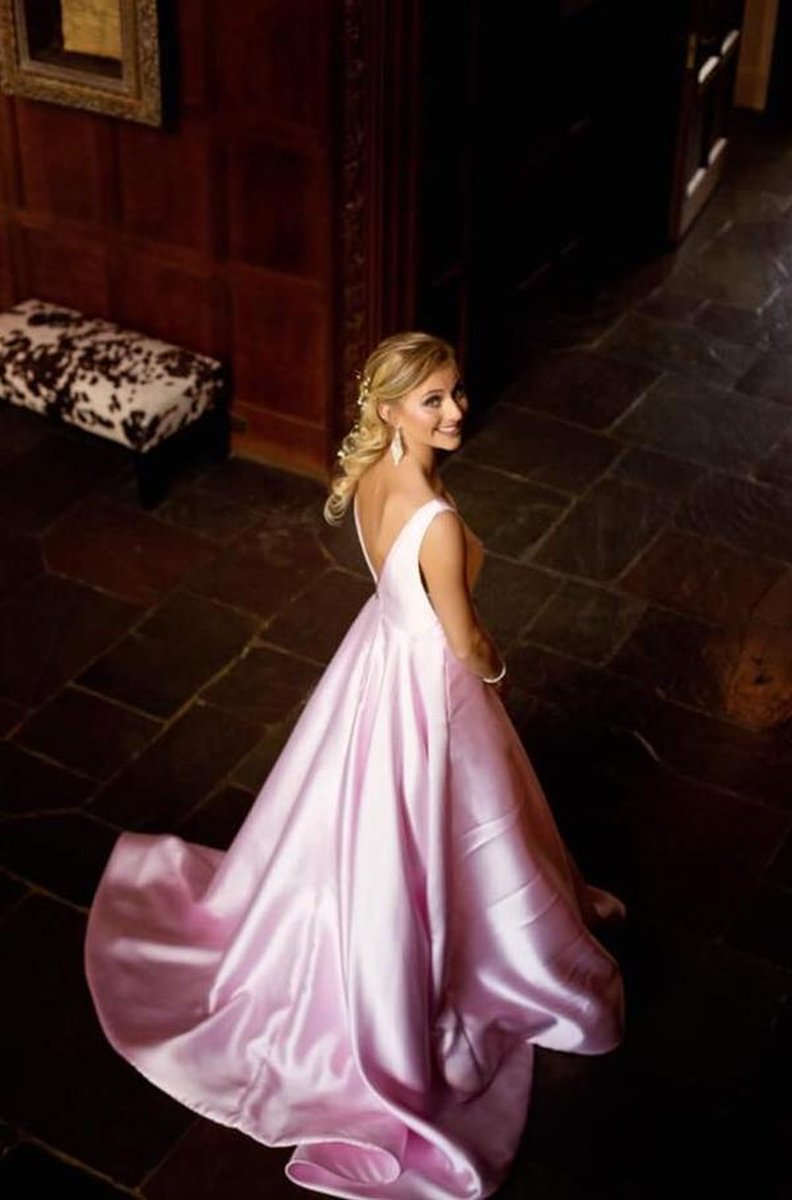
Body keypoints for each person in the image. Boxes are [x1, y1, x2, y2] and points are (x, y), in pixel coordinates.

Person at [85, 330, 625, 1200]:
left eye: (455, 393)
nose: (455, 411)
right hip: (427, 688)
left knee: (369, 819)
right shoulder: (437, 520)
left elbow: (395, 585)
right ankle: (457, 956)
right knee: (460, 821)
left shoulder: (378, 475)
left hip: (374, 661)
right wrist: (492, 671)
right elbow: (465, 636)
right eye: (434, 401)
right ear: (390, 410)